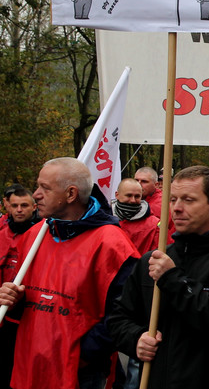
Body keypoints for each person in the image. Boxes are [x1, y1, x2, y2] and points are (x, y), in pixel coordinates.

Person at [108, 166, 209, 389]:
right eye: (173, 200)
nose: (177, 208)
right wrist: (136, 339)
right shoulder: (154, 259)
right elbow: (118, 318)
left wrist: (173, 279)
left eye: (188, 200)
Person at [0, 158, 138, 389]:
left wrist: (84, 354)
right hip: (29, 366)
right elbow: (27, 299)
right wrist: (13, 299)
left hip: (78, 373)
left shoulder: (112, 244)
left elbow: (124, 312)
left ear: (71, 194)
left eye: (45, 188)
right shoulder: (35, 235)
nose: (35, 195)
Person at [0, 185, 39, 389]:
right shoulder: (2, 231)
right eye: (14, 205)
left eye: (24, 205)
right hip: (3, 312)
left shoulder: (42, 233)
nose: (19, 210)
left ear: (34, 207)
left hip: (27, 315)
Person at [113, 178, 161, 257]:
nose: (133, 200)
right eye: (129, 195)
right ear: (117, 195)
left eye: (137, 196)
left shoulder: (154, 225)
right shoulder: (104, 221)